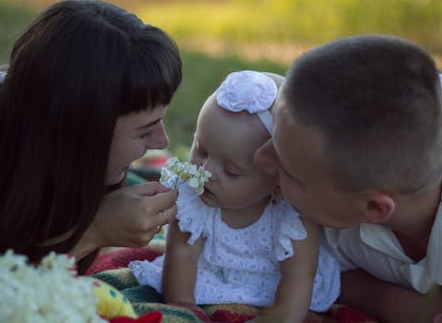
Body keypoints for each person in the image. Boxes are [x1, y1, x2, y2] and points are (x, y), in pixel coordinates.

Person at [254, 34, 442, 322]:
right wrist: (422, 310)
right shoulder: (328, 149)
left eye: (287, 169)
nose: (259, 159)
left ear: (374, 208)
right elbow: (329, 279)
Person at [0, 0, 181, 273]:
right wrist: (94, 230)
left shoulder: (49, 152)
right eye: (145, 130)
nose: (161, 142)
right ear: (83, 132)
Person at [128, 70, 340, 323]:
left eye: (231, 171)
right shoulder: (193, 199)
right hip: (209, 273)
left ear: (277, 183)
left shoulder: (290, 215)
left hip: (277, 284)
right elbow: (182, 255)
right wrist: (182, 303)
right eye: (201, 150)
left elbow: (299, 273)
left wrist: (284, 314)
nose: (206, 172)